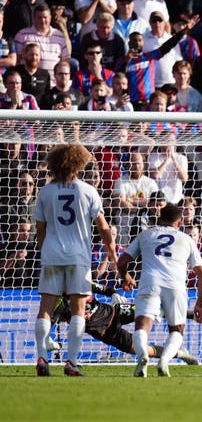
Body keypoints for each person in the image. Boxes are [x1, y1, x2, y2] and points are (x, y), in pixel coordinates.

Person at [33, 144, 118, 377]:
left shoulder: (46, 192)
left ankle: (42, 357)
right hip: (78, 257)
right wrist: (112, 252)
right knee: (79, 310)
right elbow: (103, 227)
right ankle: (71, 363)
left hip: (52, 254)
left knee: (46, 309)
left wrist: (45, 249)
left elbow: (40, 228)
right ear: (78, 164)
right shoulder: (87, 191)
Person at [118, 203, 202, 377]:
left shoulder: (145, 235)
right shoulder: (187, 239)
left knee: (142, 327)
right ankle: (164, 361)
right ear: (180, 223)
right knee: (176, 331)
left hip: (150, 283)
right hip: (176, 287)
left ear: (159, 219)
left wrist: (126, 277)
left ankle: (143, 356)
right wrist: (199, 305)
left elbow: (122, 262)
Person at [47, 283, 202, 364]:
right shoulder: (58, 303)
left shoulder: (80, 282)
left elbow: (105, 289)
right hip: (104, 332)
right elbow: (50, 321)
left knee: (153, 309)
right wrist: (48, 339)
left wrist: (114, 294)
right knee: (141, 349)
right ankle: (180, 354)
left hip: (114, 311)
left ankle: (199, 316)